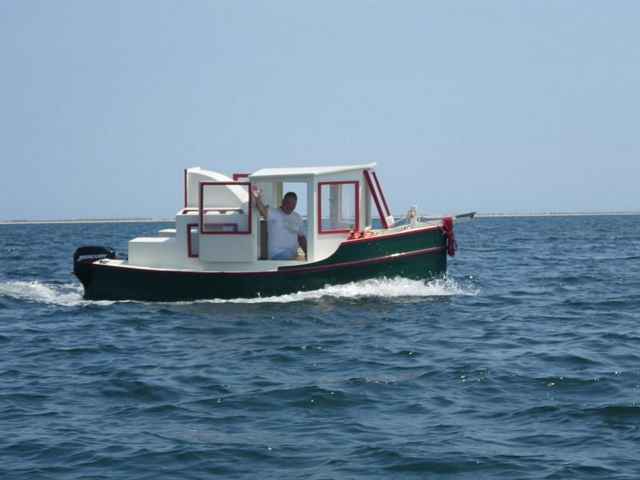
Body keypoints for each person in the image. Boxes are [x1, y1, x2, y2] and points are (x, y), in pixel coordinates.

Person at [253, 190, 307, 260]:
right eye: (288, 203)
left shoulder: (297, 217)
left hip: (293, 255)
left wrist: (307, 252)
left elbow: (301, 238)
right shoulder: (274, 212)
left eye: (293, 204)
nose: (290, 206)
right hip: (277, 255)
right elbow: (262, 210)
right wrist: (257, 197)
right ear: (283, 201)